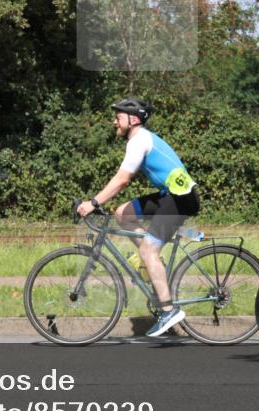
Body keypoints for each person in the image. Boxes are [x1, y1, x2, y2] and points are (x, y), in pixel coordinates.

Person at [77, 98, 200, 338]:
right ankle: (151, 263)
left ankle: (169, 311)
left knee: (148, 250)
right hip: (170, 194)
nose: (115, 122)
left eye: (118, 117)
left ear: (133, 119)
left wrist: (93, 203)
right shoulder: (139, 139)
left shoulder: (138, 141)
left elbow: (122, 180)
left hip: (180, 198)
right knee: (123, 214)